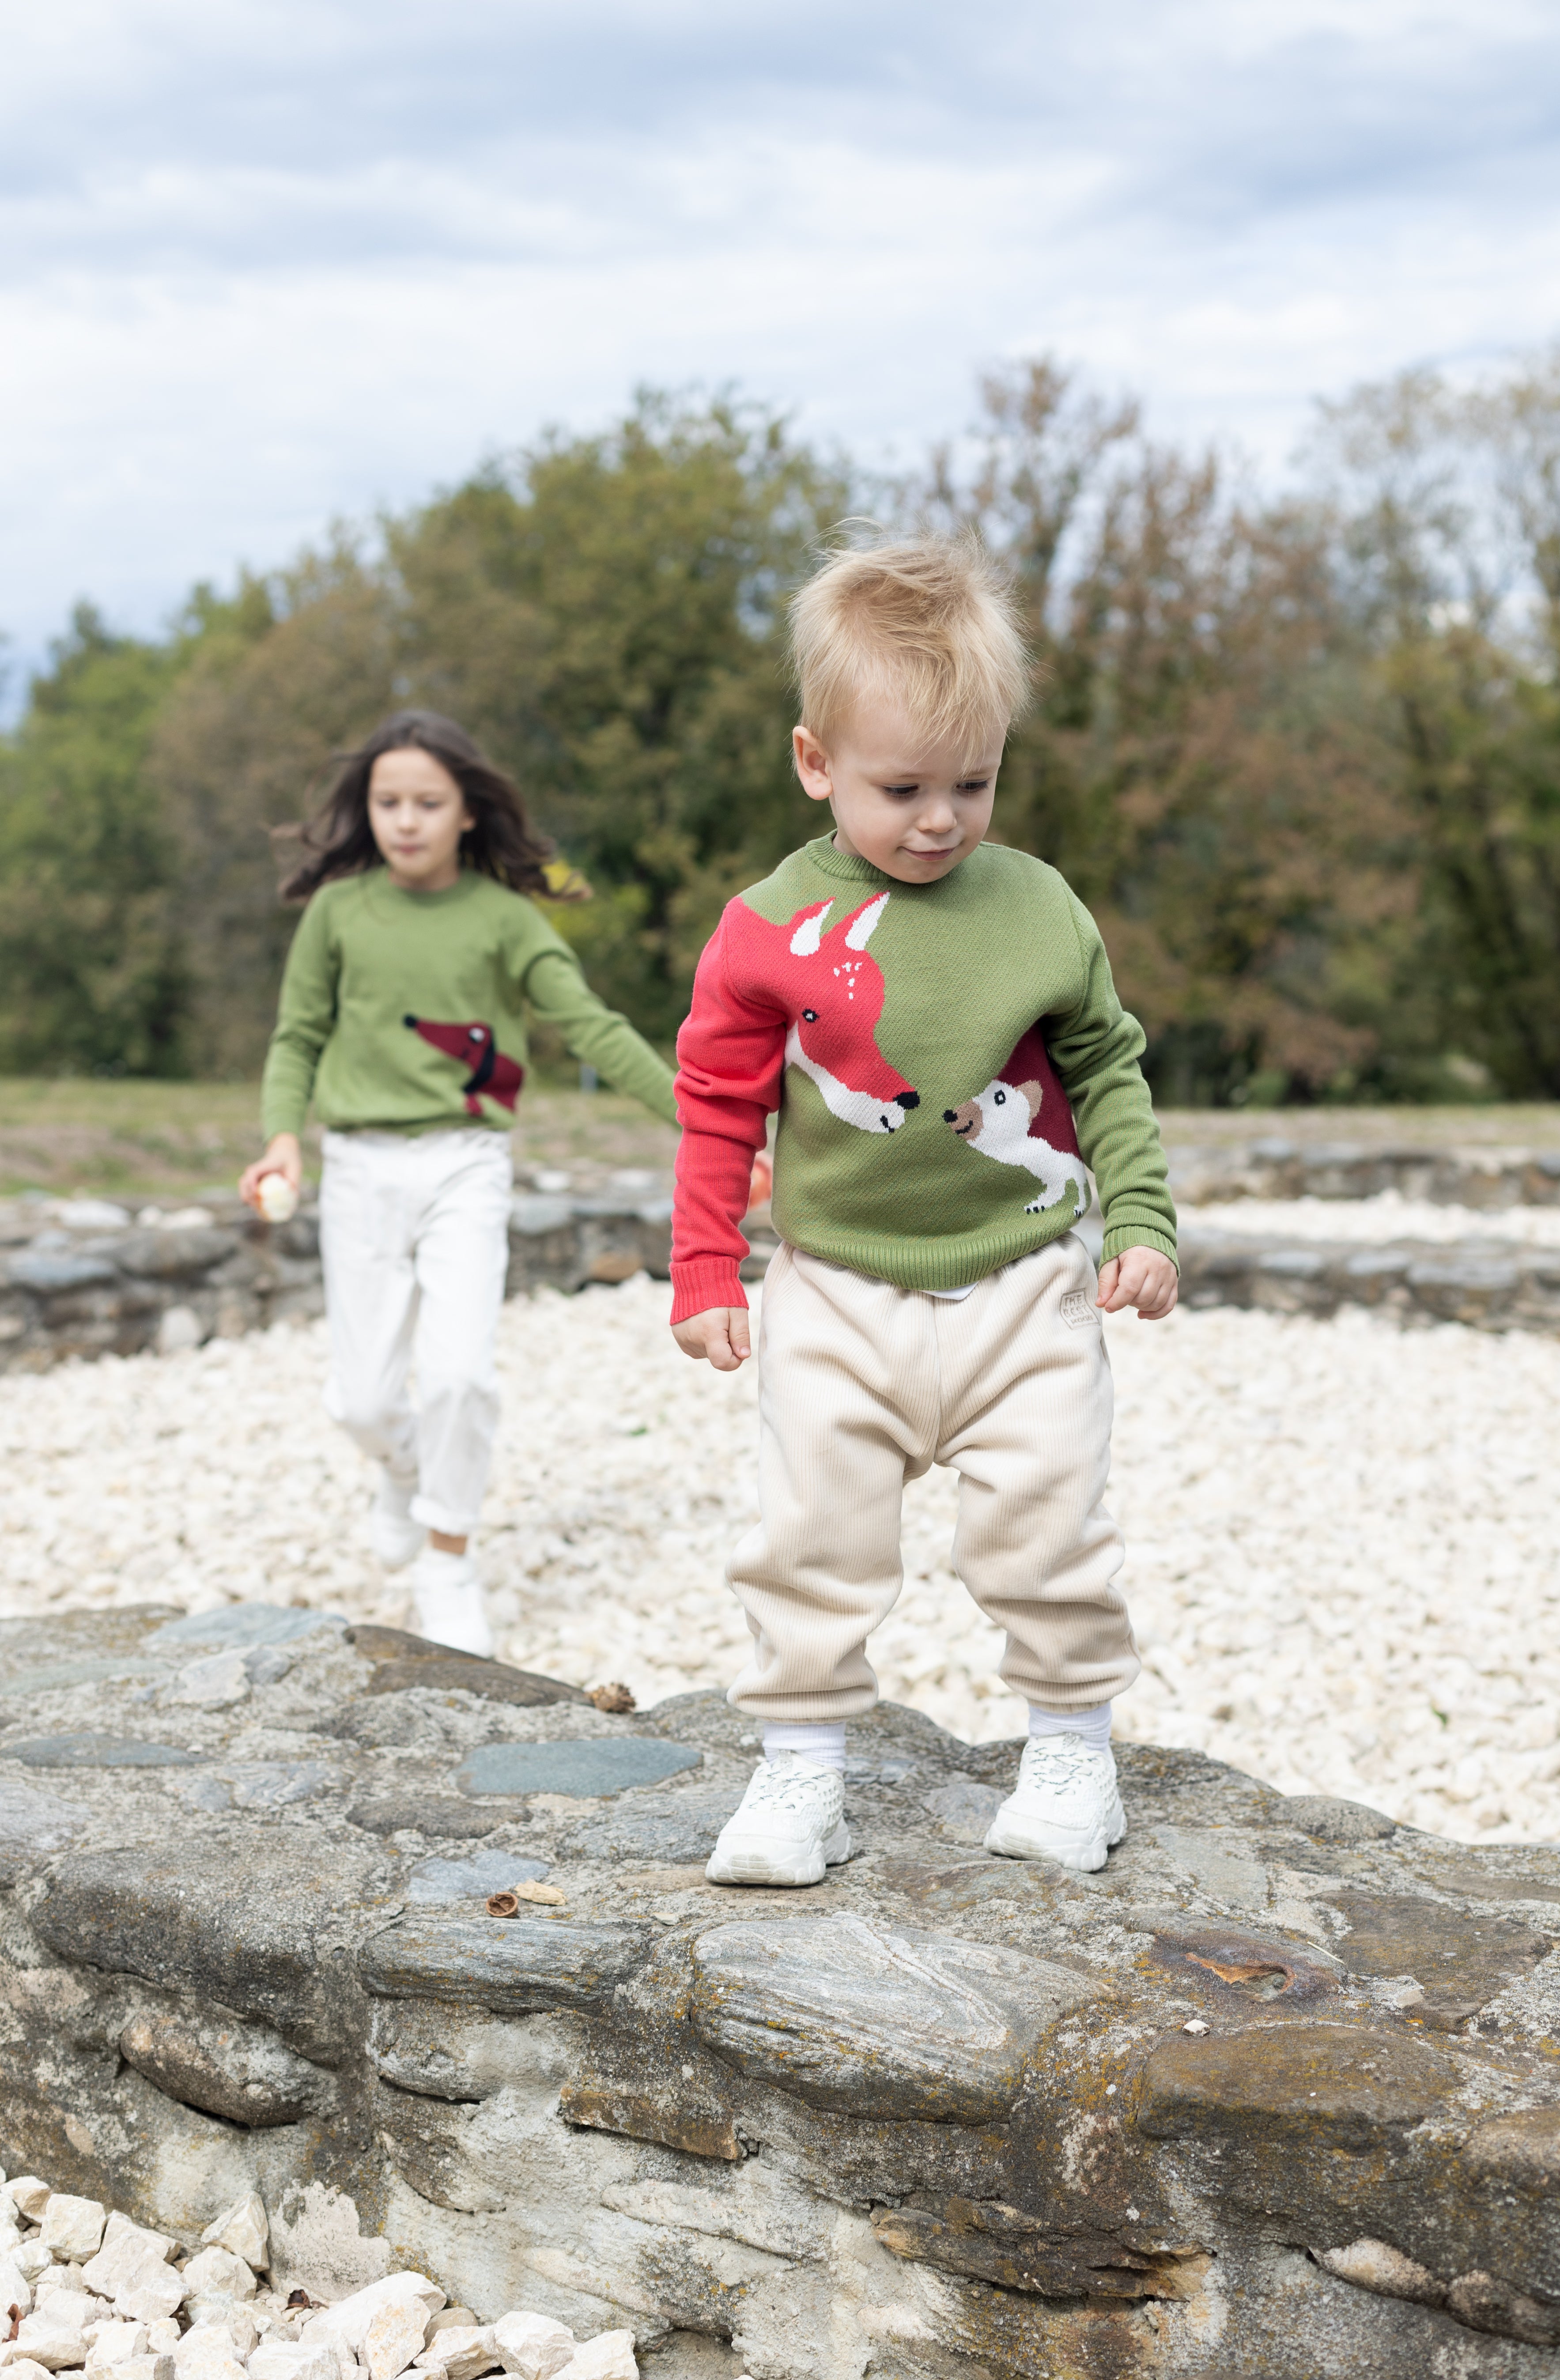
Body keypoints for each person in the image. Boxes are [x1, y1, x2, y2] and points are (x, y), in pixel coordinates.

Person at [670, 536, 1178, 1884]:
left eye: (976, 782)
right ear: (814, 761)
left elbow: (1106, 1067)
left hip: (1024, 1281)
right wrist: (706, 1269)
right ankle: (800, 1775)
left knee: (1050, 1520)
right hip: (834, 1288)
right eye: (902, 788)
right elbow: (717, 1103)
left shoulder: (1038, 907)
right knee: (809, 1535)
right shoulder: (764, 930)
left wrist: (1140, 1220)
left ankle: (1073, 1745)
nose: (943, 818)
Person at [241, 710, 679, 1654]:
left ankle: (449, 1557)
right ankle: (403, 1469)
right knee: (360, 1401)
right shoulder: (337, 913)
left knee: (459, 1375)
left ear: (468, 814)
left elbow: (595, 1029)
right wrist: (284, 1141)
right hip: (357, 1165)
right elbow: (297, 1038)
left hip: (467, 1164)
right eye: (387, 802)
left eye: (427, 803)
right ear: (368, 809)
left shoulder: (507, 920)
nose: (405, 820)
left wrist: (706, 1123)